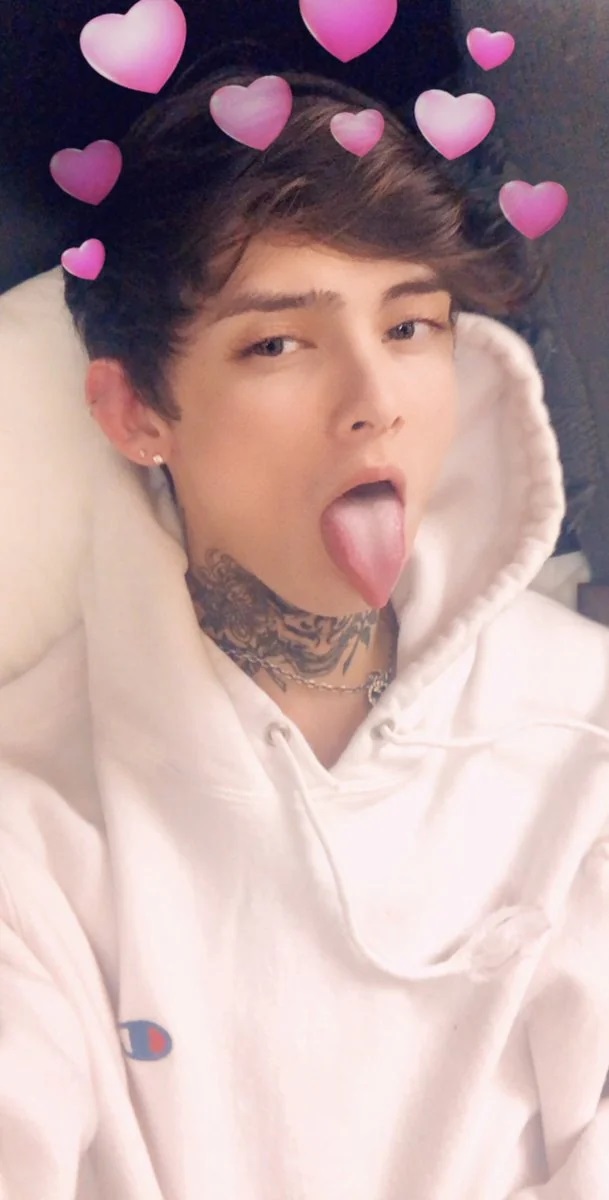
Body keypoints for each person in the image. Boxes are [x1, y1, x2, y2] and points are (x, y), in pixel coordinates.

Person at [1, 62, 609, 1200]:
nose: (375, 400)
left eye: (412, 325)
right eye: (278, 344)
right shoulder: (30, 821)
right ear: (134, 411)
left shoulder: (586, 733)